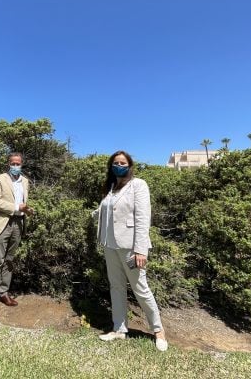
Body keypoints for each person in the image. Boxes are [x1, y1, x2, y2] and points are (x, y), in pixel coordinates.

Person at [93, 150, 168, 351]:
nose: (119, 165)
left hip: (130, 247)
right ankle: (119, 329)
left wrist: (140, 250)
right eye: (116, 162)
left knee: (140, 288)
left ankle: (158, 331)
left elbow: (143, 218)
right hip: (110, 245)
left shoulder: (138, 185)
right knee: (116, 286)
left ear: (129, 165)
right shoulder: (110, 187)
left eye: (123, 162)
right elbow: (106, 211)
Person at [0, 152, 34, 323]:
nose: (15, 166)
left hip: (19, 223)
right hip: (2, 223)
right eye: (13, 163)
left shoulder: (25, 181)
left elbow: (22, 203)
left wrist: (26, 210)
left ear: (22, 164)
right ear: (8, 164)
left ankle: (3, 293)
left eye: (18, 163)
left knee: (10, 261)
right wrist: (17, 207)